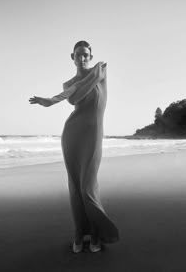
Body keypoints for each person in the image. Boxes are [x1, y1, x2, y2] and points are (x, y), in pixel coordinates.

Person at [29, 40, 119, 253]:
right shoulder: (67, 83)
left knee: (88, 186)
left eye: (86, 54)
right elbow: (73, 95)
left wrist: (53, 100)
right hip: (72, 134)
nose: (82, 58)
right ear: (72, 56)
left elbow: (76, 92)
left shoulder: (100, 70)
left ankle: (96, 234)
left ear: (90, 55)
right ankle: (80, 233)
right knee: (75, 188)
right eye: (78, 54)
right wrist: (56, 97)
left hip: (93, 134)